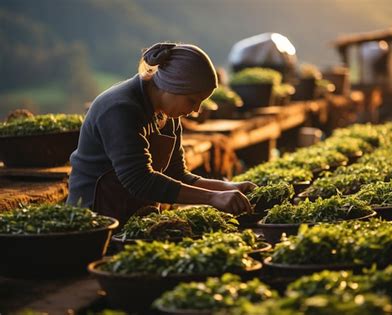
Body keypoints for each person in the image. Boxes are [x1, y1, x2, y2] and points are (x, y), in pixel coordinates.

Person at [67, 42, 255, 223]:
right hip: (94, 219)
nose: (196, 110)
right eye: (192, 100)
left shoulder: (168, 114)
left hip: (134, 218)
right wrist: (213, 198)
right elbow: (139, 180)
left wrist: (227, 187)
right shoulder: (120, 109)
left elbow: (177, 174)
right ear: (172, 86)